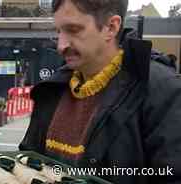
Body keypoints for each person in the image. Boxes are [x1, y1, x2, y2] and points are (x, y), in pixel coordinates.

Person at [20, 0, 181, 183]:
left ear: (111, 27)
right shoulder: (51, 90)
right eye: (58, 32)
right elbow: (26, 165)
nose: (61, 46)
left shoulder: (163, 90)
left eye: (73, 30)